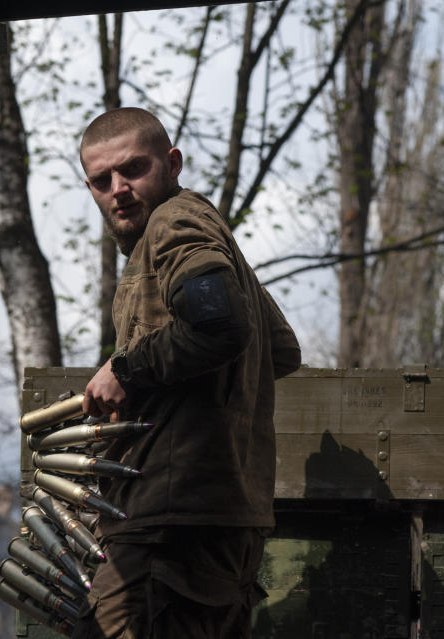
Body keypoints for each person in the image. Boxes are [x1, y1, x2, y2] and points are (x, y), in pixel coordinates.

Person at [76, 107, 302, 639]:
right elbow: (281, 348)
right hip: (217, 525)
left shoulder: (174, 222)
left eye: (133, 169)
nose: (119, 189)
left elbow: (219, 325)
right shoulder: (209, 238)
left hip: (169, 530)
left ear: (172, 163)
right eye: (102, 180)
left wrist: (127, 367)